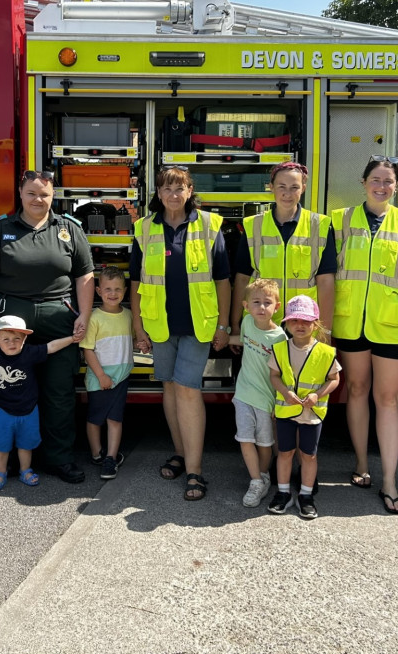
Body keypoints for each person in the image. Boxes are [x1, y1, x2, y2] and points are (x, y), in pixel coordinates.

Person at [0, 170, 94, 484]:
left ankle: (58, 459)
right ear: (20, 194)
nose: (39, 199)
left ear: (54, 196)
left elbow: (85, 275)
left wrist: (85, 315)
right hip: (11, 322)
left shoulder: (69, 229)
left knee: (59, 393)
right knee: (7, 391)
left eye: (45, 194)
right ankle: (6, 460)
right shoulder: (0, 231)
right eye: (32, 193)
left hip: (58, 321)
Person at [331, 155, 398, 515]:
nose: (381, 186)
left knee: (388, 399)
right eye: (375, 179)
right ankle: (361, 463)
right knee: (356, 391)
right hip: (350, 323)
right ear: (363, 182)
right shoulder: (340, 220)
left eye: (388, 181)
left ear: (397, 186)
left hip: (392, 323)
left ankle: (390, 480)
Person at [130, 165, 232, 501]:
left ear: (190, 191)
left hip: (198, 325)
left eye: (180, 188)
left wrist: (223, 326)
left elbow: (222, 282)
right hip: (160, 324)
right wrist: (138, 327)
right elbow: (136, 283)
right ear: (158, 193)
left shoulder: (209, 226)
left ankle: (195, 470)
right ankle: (180, 453)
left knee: (188, 390)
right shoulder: (144, 228)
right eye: (166, 189)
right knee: (170, 390)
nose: (173, 195)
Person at [231, 161, 335, 332]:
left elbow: (325, 281)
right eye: (281, 186)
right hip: (261, 325)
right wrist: (235, 324)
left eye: (294, 187)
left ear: (303, 187)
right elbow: (242, 279)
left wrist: (325, 330)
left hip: (303, 324)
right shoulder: (253, 226)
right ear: (271, 187)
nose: (287, 193)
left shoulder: (320, 225)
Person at [0, 315, 76, 491]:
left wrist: (73, 339)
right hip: (2, 411)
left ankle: (25, 470)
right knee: (1, 446)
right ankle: (0, 472)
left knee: (26, 444)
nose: (11, 343)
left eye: (17, 338)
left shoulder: (29, 353)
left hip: (29, 410)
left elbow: (51, 347)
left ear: (24, 339)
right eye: (5, 339)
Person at [267, 295, 341, 520]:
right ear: (287, 324)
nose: (300, 326)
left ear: (315, 324)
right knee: (285, 452)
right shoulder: (279, 349)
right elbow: (274, 376)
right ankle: (283, 492)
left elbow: (334, 379)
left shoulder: (326, 352)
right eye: (294, 321)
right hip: (286, 411)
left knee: (308, 455)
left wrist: (317, 395)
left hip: (312, 414)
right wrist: (285, 393)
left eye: (306, 321)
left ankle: (306, 496)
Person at [227, 278, 287, 507]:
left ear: (277, 307)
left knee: (265, 444)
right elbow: (242, 342)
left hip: (266, 399)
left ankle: (263, 475)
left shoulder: (280, 337)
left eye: (267, 302)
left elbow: (282, 374)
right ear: (246, 306)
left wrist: (277, 402)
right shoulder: (246, 324)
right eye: (256, 302)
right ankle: (255, 481)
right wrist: (217, 339)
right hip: (243, 393)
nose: (261, 307)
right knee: (244, 439)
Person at [81, 266, 134, 480]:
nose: (113, 294)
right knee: (95, 418)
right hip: (99, 377)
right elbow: (87, 349)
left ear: (125, 290)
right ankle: (96, 453)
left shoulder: (129, 315)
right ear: (98, 290)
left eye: (118, 289)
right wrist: (101, 375)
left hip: (121, 377)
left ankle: (110, 458)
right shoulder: (94, 318)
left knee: (115, 419)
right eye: (108, 289)